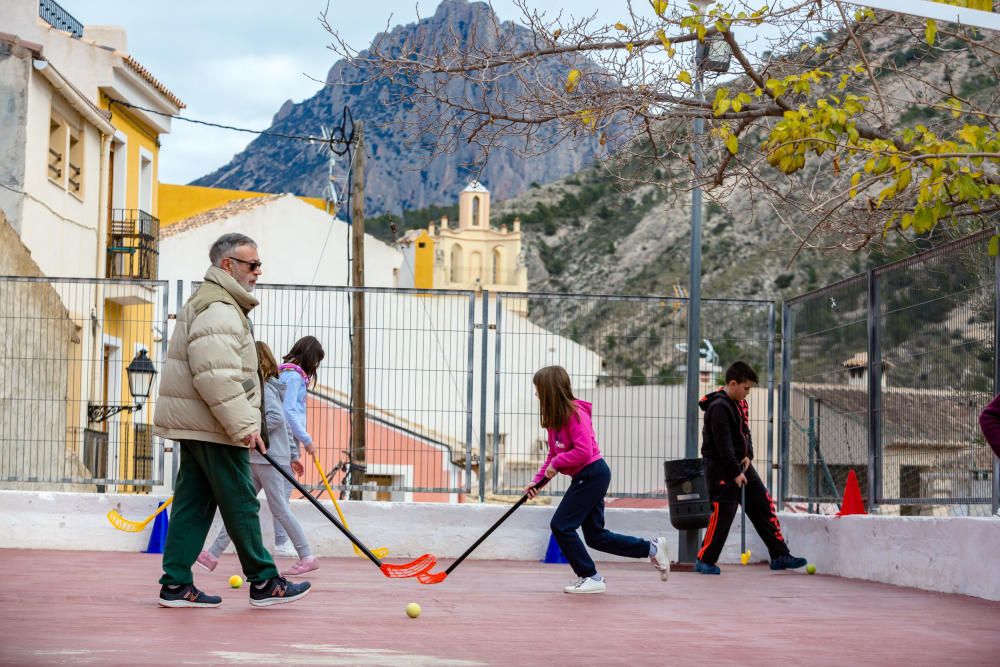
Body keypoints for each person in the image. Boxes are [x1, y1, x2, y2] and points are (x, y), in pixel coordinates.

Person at [153, 233, 310, 608]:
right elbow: (216, 375)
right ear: (229, 266)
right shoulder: (220, 308)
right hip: (215, 425)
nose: (258, 271)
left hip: (202, 422)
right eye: (252, 264)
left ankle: (175, 584)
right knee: (241, 500)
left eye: (258, 265)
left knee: (194, 503)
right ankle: (264, 581)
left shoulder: (215, 303)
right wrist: (244, 426)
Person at [525, 365, 670, 594]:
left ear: (550, 390)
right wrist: (538, 482)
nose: (536, 394)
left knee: (561, 525)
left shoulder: (575, 415)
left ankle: (590, 576)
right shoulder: (555, 420)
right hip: (585, 477)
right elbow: (554, 455)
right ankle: (651, 548)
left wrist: (556, 465)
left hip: (593, 474)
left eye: (538, 389)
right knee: (595, 536)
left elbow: (582, 452)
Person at [197, 342, 320, 577]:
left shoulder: (265, 387)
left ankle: (307, 556)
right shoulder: (255, 386)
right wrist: (293, 454)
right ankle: (212, 554)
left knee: (280, 509)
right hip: (260, 457)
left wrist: (252, 431)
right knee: (241, 507)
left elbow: (276, 418)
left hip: (269, 458)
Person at [695, 361, 807, 575]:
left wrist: (748, 455)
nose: (747, 393)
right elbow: (722, 445)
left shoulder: (738, 404)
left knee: (763, 505)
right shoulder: (719, 407)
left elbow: (745, 432)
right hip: (721, 468)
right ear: (733, 383)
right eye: (746, 388)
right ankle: (704, 559)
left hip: (740, 465)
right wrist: (735, 473)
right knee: (723, 513)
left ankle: (779, 554)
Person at [273, 336, 325, 557]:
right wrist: (306, 440)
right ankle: (282, 543)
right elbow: (289, 411)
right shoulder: (294, 377)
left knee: (277, 492)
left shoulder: (284, 372)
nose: (315, 367)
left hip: (281, 439)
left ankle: (280, 542)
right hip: (284, 440)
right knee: (282, 493)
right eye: (316, 361)